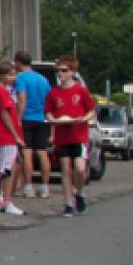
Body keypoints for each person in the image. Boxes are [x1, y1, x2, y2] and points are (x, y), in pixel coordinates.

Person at [45, 56, 96, 217]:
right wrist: (53, 120)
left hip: (79, 135)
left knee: (80, 168)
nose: (60, 73)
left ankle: (79, 192)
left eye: (64, 70)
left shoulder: (81, 91)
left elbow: (91, 111)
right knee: (65, 170)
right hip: (62, 136)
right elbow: (49, 112)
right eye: (58, 71)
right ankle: (68, 203)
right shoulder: (54, 92)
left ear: (72, 72)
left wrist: (84, 119)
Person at [0, 61, 26, 215]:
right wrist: (16, 135)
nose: (13, 78)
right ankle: (7, 200)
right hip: (6, 135)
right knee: (8, 168)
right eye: (10, 75)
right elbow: (5, 114)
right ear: (1, 76)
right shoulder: (2, 91)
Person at [12, 51, 53, 201]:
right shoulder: (43, 79)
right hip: (41, 118)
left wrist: (18, 118)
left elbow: (22, 99)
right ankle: (45, 187)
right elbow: (49, 99)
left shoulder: (21, 78)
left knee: (27, 152)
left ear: (18, 62)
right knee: (42, 152)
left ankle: (28, 186)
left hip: (27, 118)